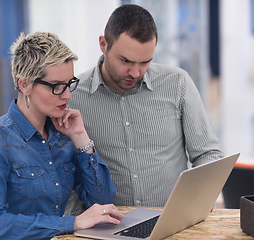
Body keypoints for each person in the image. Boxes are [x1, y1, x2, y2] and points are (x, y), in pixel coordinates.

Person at [66, 4, 224, 215]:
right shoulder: (73, 97)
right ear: (103, 44)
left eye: (145, 62)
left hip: (172, 219)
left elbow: (208, 154)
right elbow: (66, 172)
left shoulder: (177, 83)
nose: (135, 72)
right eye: (125, 61)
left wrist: (197, 201)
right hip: (109, 224)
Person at [0, 32, 123, 240]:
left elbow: (102, 201)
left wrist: (81, 138)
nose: (67, 95)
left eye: (69, 84)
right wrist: (72, 223)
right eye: (56, 86)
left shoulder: (63, 136)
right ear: (24, 85)